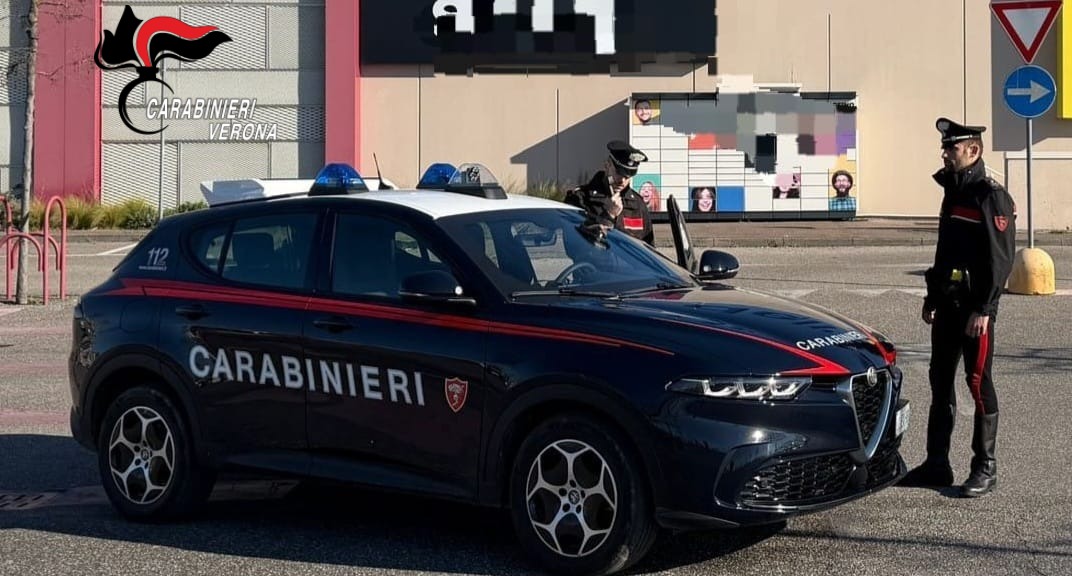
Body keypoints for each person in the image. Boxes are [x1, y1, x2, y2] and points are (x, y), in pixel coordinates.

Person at [899, 118, 1016, 498]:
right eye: (945, 148)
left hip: (974, 311)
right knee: (940, 381)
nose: (945, 153)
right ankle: (937, 464)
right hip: (947, 306)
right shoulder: (953, 190)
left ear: (973, 151)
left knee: (977, 382)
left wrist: (985, 309)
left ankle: (985, 467)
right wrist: (932, 296)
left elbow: (1001, 260)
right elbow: (944, 252)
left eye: (952, 148)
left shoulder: (991, 195)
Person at [565, 140, 654, 246]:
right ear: (607, 166)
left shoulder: (637, 204)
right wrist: (608, 216)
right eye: (618, 173)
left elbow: (649, 249)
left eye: (627, 176)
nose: (622, 181)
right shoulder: (581, 198)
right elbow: (574, 245)